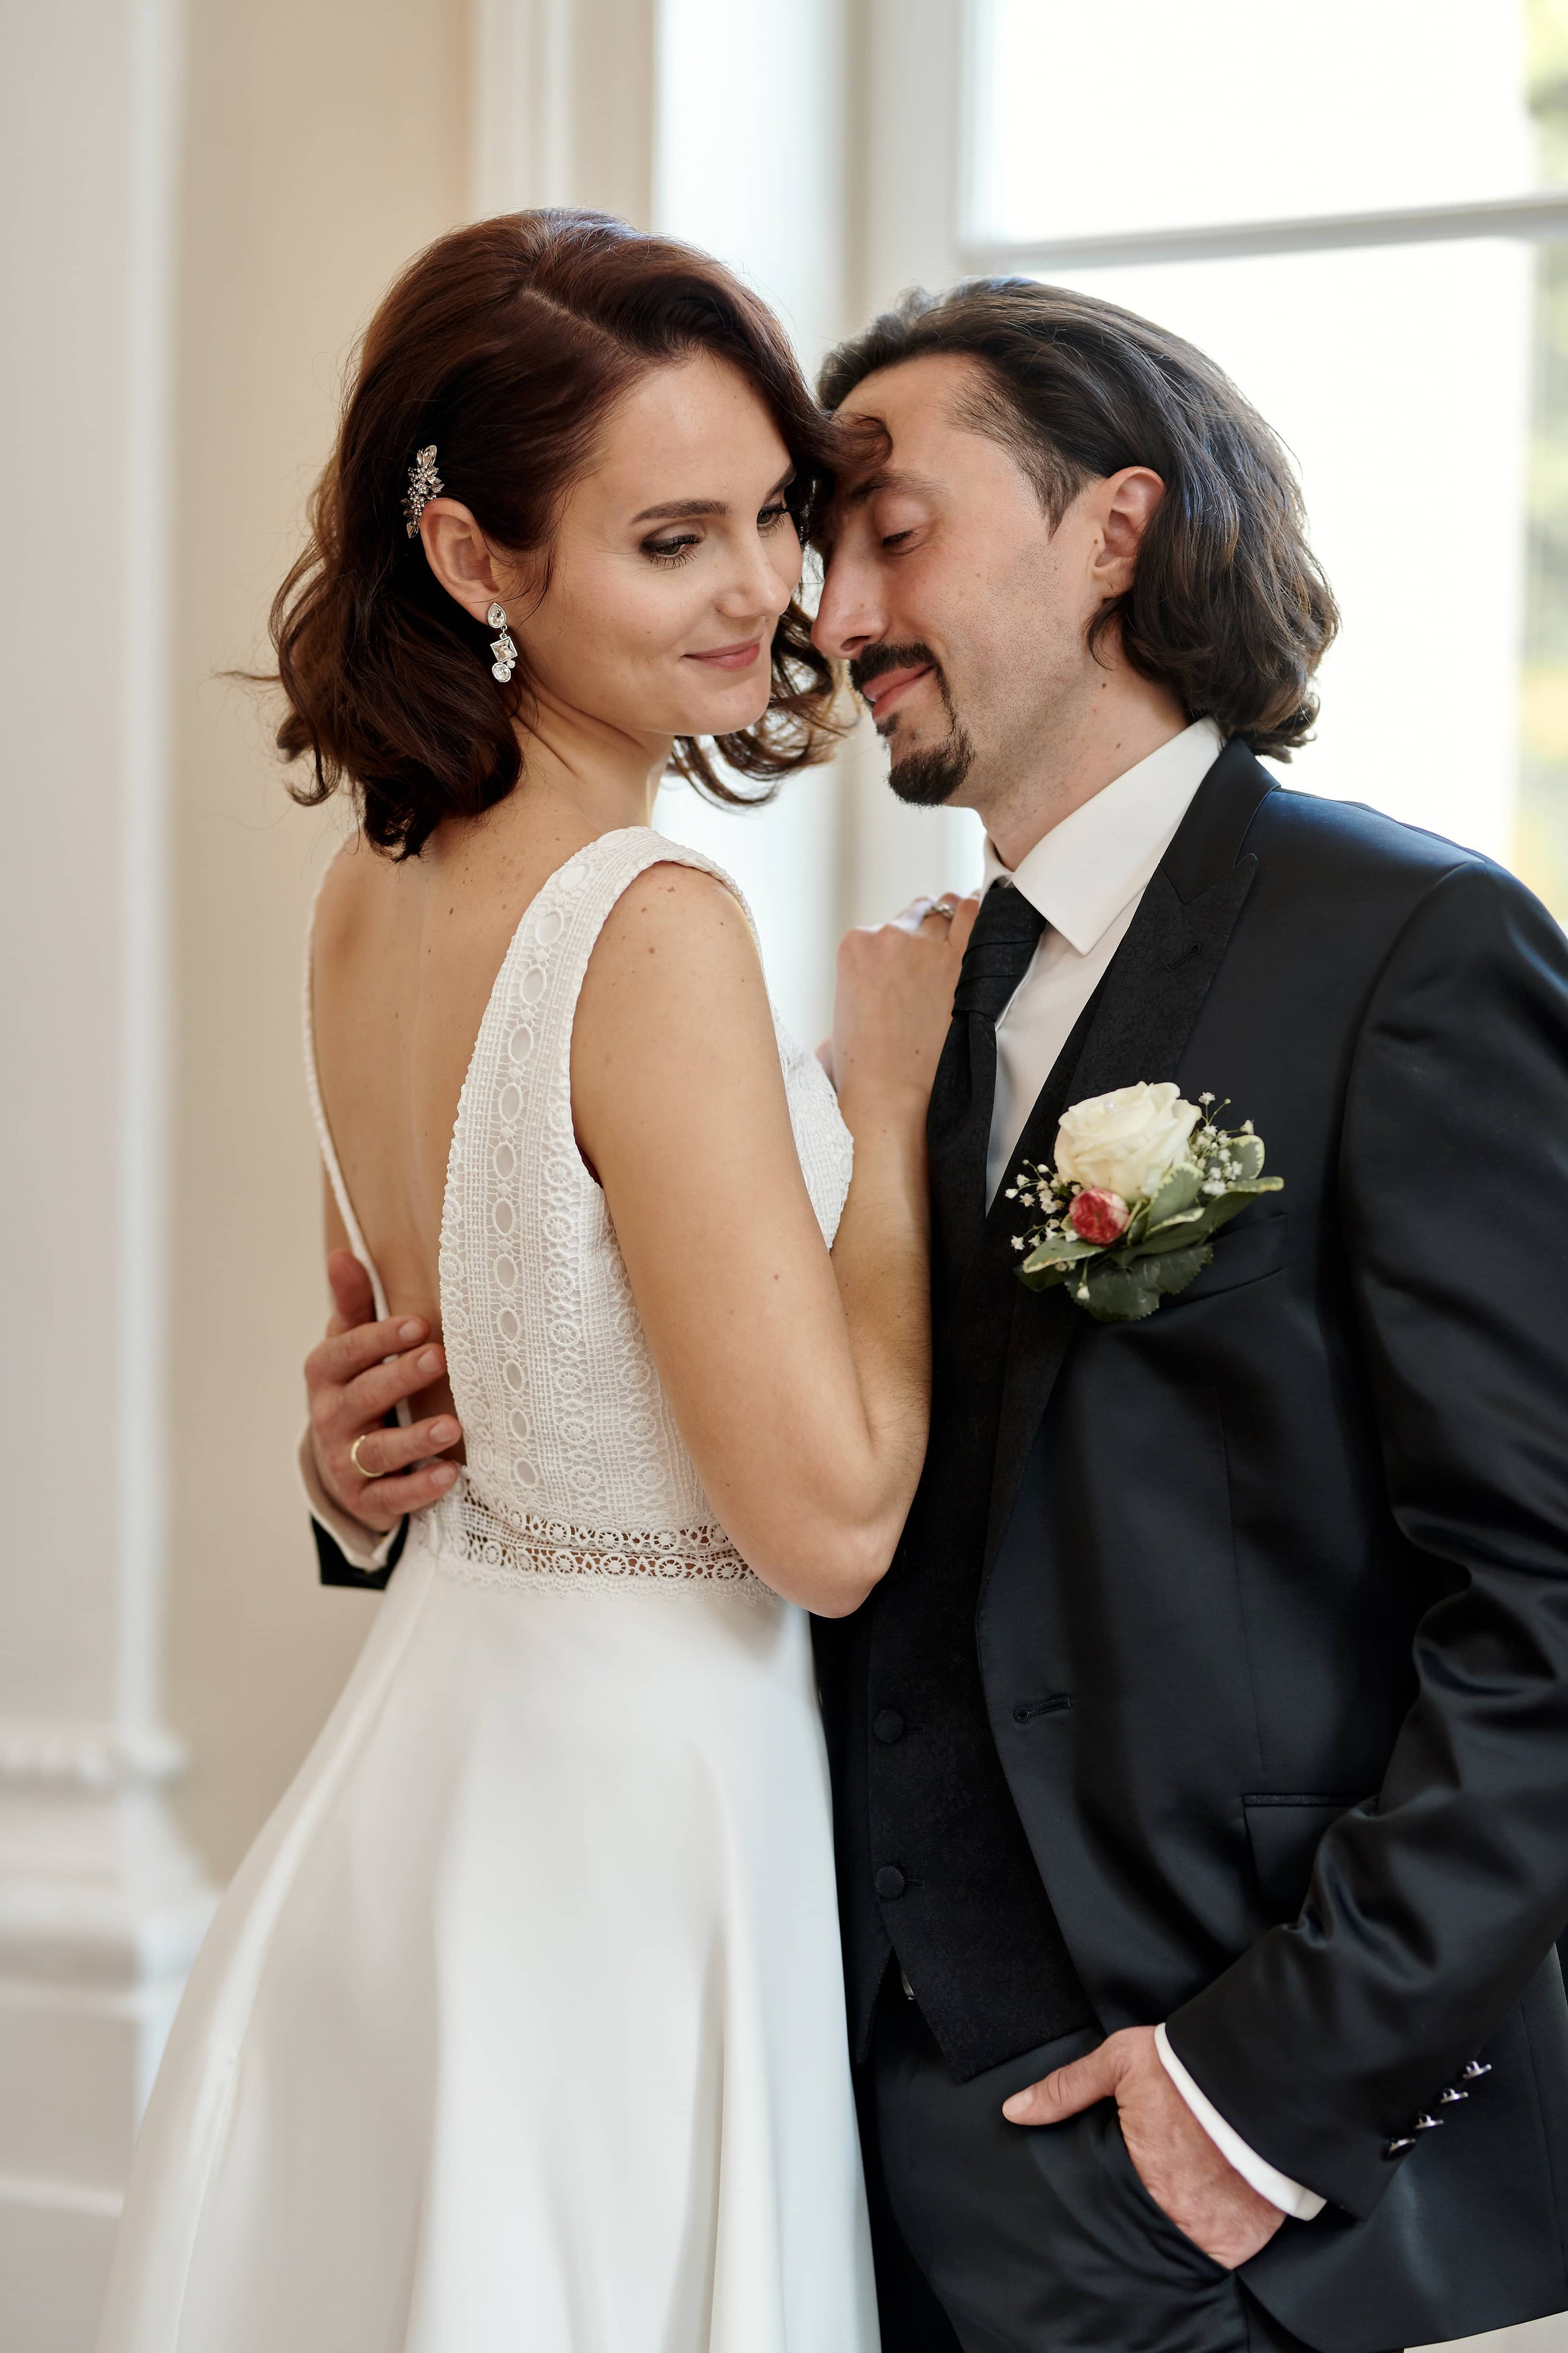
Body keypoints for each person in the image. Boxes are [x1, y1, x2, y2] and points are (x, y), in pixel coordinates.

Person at [307, 273, 1568, 2351]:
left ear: (1116, 535)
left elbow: (1542, 1610)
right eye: (821, 536)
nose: (826, 605)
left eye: (892, 530)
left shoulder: (1410, 948)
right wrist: (382, 1463)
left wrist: (1260, 2101)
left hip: (1213, 2178)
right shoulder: (904, 991)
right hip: (826, 2114)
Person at [96, 210, 969, 2353]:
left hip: (429, 1770)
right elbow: (834, 1523)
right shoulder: (652, 919)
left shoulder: (365, 883)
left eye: (775, 513)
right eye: (671, 539)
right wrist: (895, 1110)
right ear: (483, 563)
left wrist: (348, 1460)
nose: (767, 590)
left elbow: (430, 1350)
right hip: (629, 1818)